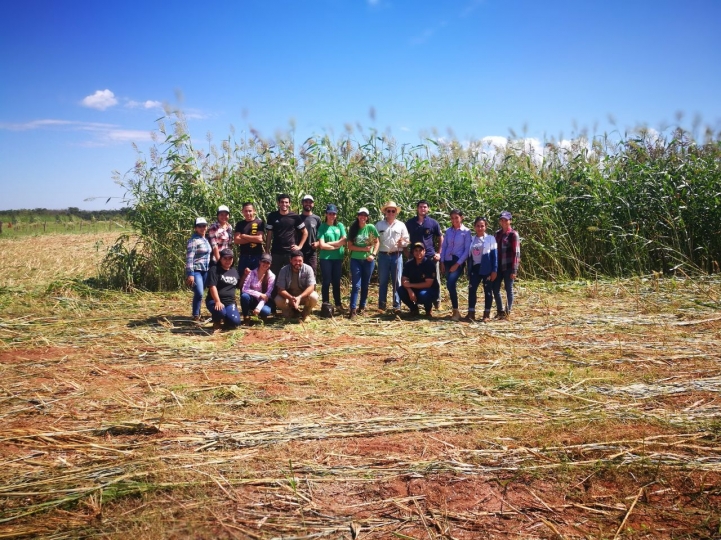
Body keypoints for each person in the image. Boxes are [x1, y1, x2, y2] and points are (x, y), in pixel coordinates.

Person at [405, 200, 443, 308]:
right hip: (415, 257)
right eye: (421, 207)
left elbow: (440, 237)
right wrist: (407, 252)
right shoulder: (410, 223)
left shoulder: (433, 223)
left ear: (428, 209)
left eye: (425, 207)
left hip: (430, 256)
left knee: (435, 280)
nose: (423, 209)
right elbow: (403, 237)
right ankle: (418, 301)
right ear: (417, 208)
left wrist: (439, 253)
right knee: (416, 279)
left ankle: (437, 301)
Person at [375, 201, 409, 314]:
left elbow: (407, 240)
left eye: (393, 211)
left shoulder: (401, 225)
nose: (390, 213)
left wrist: (402, 243)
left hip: (397, 256)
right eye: (388, 211)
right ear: (385, 212)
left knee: (397, 281)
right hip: (383, 255)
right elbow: (374, 240)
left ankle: (397, 305)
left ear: (396, 213)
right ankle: (382, 305)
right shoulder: (379, 225)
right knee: (383, 281)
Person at [347, 207, 379, 320]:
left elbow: (377, 242)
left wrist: (373, 254)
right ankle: (353, 309)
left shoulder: (370, 228)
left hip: (368, 260)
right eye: (361, 215)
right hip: (356, 259)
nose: (363, 217)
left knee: (365, 285)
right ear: (358, 216)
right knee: (356, 285)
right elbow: (349, 246)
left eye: (365, 215)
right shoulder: (353, 228)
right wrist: (364, 249)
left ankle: (362, 307)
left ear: (367, 217)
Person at [265, 194, 308, 279]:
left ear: (289, 204)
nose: (284, 204)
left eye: (286, 202)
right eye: (282, 202)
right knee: (274, 276)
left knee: (290, 276)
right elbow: (269, 234)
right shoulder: (272, 216)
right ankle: (275, 292)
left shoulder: (295, 217)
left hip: (290, 252)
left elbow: (305, 232)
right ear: (278, 203)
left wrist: (299, 246)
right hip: (276, 252)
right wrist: (267, 250)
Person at [440, 209, 472, 321]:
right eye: (452, 218)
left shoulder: (466, 232)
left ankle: (456, 310)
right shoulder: (448, 231)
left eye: (456, 217)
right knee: (451, 285)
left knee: (450, 283)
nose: (454, 220)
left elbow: (467, 250)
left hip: (458, 260)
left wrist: (458, 264)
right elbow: (444, 247)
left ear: (461, 218)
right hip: (448, 260)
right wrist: (442, 261)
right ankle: (455, 311)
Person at [466, 217, 498, 322]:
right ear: (475, 227)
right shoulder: (472, 239)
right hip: (475, 268)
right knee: (472, 289)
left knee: (488, 291)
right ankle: (471, 313)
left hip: (487, 268)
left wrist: (494, 270)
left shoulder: (490, 239)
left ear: (486, 226)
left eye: (482, 226)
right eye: (478, 226)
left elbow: (494, 256)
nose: (480, 228)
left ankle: (486, 314)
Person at [274, 250, 319, 321]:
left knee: (314, 296)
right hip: (289, 297)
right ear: (290, 260)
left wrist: (299, 297)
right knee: (278, 299)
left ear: (303, 260)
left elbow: (311, 287)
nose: (297, 263)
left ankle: (306, 313)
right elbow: (280, 289)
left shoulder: (308, 269)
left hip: (303, 296)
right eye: (295, 260)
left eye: (300, 260)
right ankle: (290, 312)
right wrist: (291, 298)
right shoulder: (284, 270)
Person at [317, 203, 347, 311]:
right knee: (326, 281)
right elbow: (321, 245)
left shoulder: (340, 226)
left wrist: (329, 244)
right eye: (330, 213)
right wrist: (336, 245)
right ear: (326, 214)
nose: (332, 216)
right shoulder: (323, 227)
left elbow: (343, 241)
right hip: (326, 258)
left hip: (337, 258)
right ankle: (325, 304)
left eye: (334, 214)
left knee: (336, 281)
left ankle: (338, 304)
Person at [205, 248, 242, 332]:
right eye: (225, 258)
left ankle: (226, 319)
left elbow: (239, 285)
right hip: (214, 300)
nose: (227, 261)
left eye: (230, 258)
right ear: (220, 258)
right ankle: (216, 322)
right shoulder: (214, 269)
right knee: (220, 311)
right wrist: (217, 301)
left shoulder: (234, 271)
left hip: (229, 302)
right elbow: (212, 286)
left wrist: (245, 276)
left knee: (235, 323)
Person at [493, 210, 520, 319]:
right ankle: (500, 311)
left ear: (510, 221)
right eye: (502, 220)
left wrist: (514, 270)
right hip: (498, 266)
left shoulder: (513, 234)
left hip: (508, 266)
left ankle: (507, 312)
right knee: (495, 288)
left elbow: (516, 253)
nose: (503, 222)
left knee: (509, 289)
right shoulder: (497, 234)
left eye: (506, 220)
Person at [400, 243, 439, 316]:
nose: (418, 253)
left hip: (429, 290)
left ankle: (428, 309)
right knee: (400, 290)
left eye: (420, 250)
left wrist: (410, 285)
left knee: (423, 294)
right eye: (416, 250)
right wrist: (409, 290)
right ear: (413, 252)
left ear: (424, 251)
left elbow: (428, 284)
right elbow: (404, 279)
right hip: (414, 289)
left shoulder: (429, 264)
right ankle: (414, 309)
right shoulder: (409, 264)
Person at [185, 217, 211, 321]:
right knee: (199, 292)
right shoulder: (193, 240)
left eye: (204, 226)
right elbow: (189, 258)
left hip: (205, 270)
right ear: (195, 228)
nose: (202, 228)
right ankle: (195, 316)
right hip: (196, 270)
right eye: (199, 226)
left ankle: (198, 314)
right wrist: (190, 274)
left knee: (201, 293)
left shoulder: (206, 239)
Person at [240, 253, 275, 325]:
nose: (265, 264)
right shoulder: (252, 273)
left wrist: (258, 308)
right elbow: (244, 288)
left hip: (264, 301)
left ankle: (262, 316)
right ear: (259, 262)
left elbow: (267, 295)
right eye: (263, 261)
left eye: (267, 262)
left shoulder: (272, 276)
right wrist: (259, 294)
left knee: (265, 311)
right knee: (244, 296)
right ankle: (246, 316)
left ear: (270, 265)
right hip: (253, 299)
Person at [234, 201, 265, 278]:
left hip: (257, 255)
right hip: (244, 255)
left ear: (254, 211)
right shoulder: (240, 224)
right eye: (246, 211)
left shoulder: (259, 223)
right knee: (242, 279)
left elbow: (260, 239)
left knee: (256, 278)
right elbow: (237, 240)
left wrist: (244, 236)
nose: (248, 213)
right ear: (242, 212)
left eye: (250, 211)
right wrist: (253, 239)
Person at [300, 194, 321, 275]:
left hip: (312, 252)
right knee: (300, 274)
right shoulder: (298, 218)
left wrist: (318, 243)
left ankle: (313, 288)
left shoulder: (317, 219)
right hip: (300, 252)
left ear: (313, 204)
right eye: (306, 202)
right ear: (302, 203)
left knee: (312, 274)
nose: (308, 204)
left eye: (310, 202)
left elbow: (321, 234)